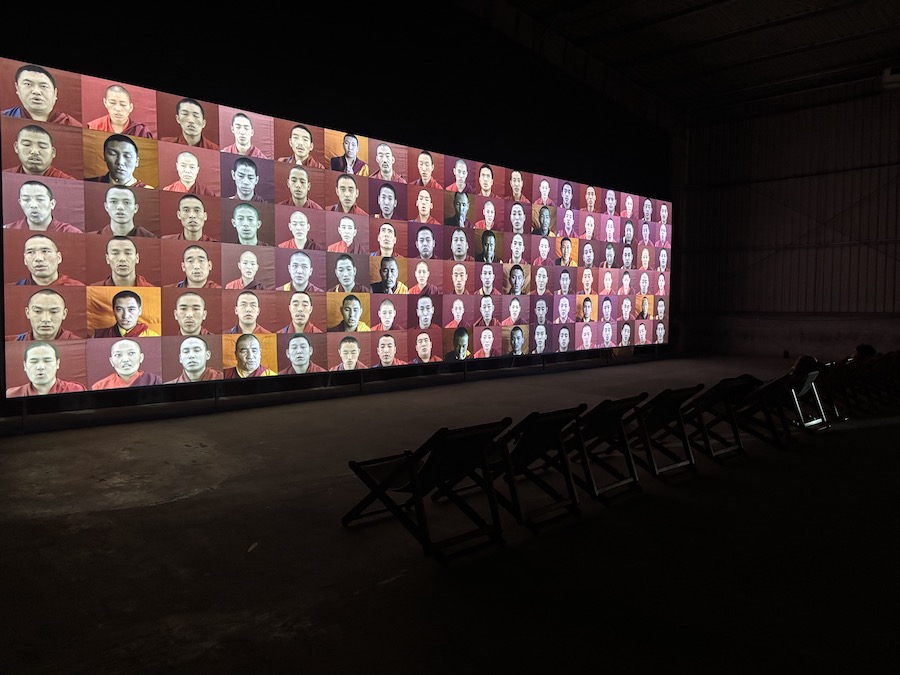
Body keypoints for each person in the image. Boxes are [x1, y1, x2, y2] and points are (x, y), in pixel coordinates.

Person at [2, 64, 81, 125]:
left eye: (43, 86)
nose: (36, 91)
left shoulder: (71, 124)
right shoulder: (4, 118)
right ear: (17, 88)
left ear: (55, 93)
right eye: (28, 84)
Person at [6, 341, 86, 396]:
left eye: (47, 361)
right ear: (25, 365)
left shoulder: (75, 390)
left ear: (57, 364)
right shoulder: (12, 394)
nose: (40, 367)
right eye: (34, 361)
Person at [4, 180, 81, 233]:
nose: (33, 205)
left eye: (40, 199)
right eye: (26, 199)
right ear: (21, 203)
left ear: (52, 204)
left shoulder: (72, 232)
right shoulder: (7, 230)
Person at [6, 288, 81, 341]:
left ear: (64, 314)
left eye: (54, 312)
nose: (46, 319)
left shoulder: (78, 343)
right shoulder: (11, 342)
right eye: (38, 311)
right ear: (27, 313)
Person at [4, 125, 76, 179]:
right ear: (16, 147)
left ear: (53, 152)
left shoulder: (67, 182)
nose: (35, 151)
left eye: (42, 146)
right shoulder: (5, 177)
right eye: (27, 144)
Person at [86, 83, 153, 138]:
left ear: (131, 107)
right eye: (112, 103)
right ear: (105, 103)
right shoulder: (95, 127)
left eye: (123, 104)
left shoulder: (141, 131)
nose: (118, 109)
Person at [91, 338, 162, 389]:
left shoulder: (154, 381)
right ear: (111, 361)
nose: (125, 360)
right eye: (118, 355)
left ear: (141, 358)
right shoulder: (99, 387)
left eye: (131, 353)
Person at [86, 134, 152, 188]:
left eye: (127, 156)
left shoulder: (147, 191)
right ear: (104, 156)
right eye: (112, 154)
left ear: (137, 162)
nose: (120, 162)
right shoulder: (89, 185)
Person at [16, 234, 84, 286]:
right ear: (25, 260)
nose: (39, 258)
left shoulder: (78, 287)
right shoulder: (16, 287)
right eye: (30, 252)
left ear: (59, 258)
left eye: (45, 251)